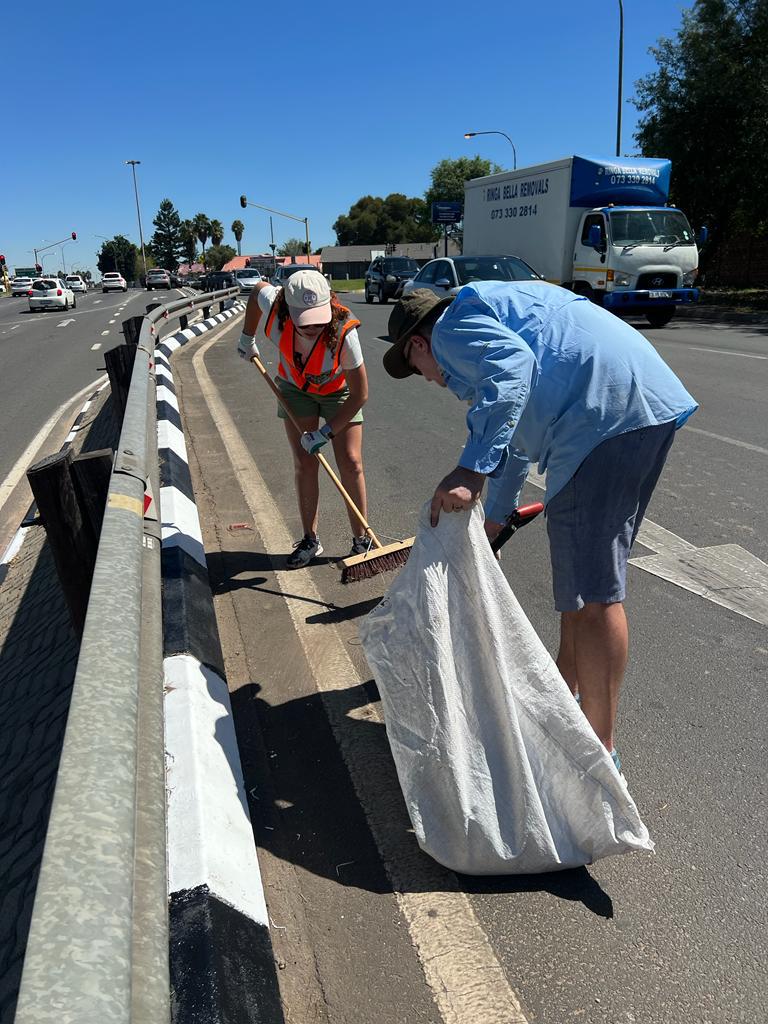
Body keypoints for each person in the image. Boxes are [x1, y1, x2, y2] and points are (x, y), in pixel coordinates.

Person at [384, 283, 698, 771]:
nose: (428, 380)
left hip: (597, 420)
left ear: (419, 344)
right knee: (581, 590)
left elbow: (511, 371)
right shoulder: (493, 313)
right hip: (643, 405)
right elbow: (515, 438)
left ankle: (597, 759)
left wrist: (469, 471)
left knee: (594, 598)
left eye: (415, 367)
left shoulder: (448, 331)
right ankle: (563, 704)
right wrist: (494, 520)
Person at [239, 268, 370, 568]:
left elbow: (360, 394)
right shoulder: (275, 308)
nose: (313, 329)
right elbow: (257, 288)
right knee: (305, 461)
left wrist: (325, 433)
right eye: (305, 323)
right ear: (287, 308)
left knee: (351, 462)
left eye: (319, 320)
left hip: (338, 392)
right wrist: (247, 338)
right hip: (295, 389)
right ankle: (310, 539)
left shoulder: (344, 333)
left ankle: (361, 540)